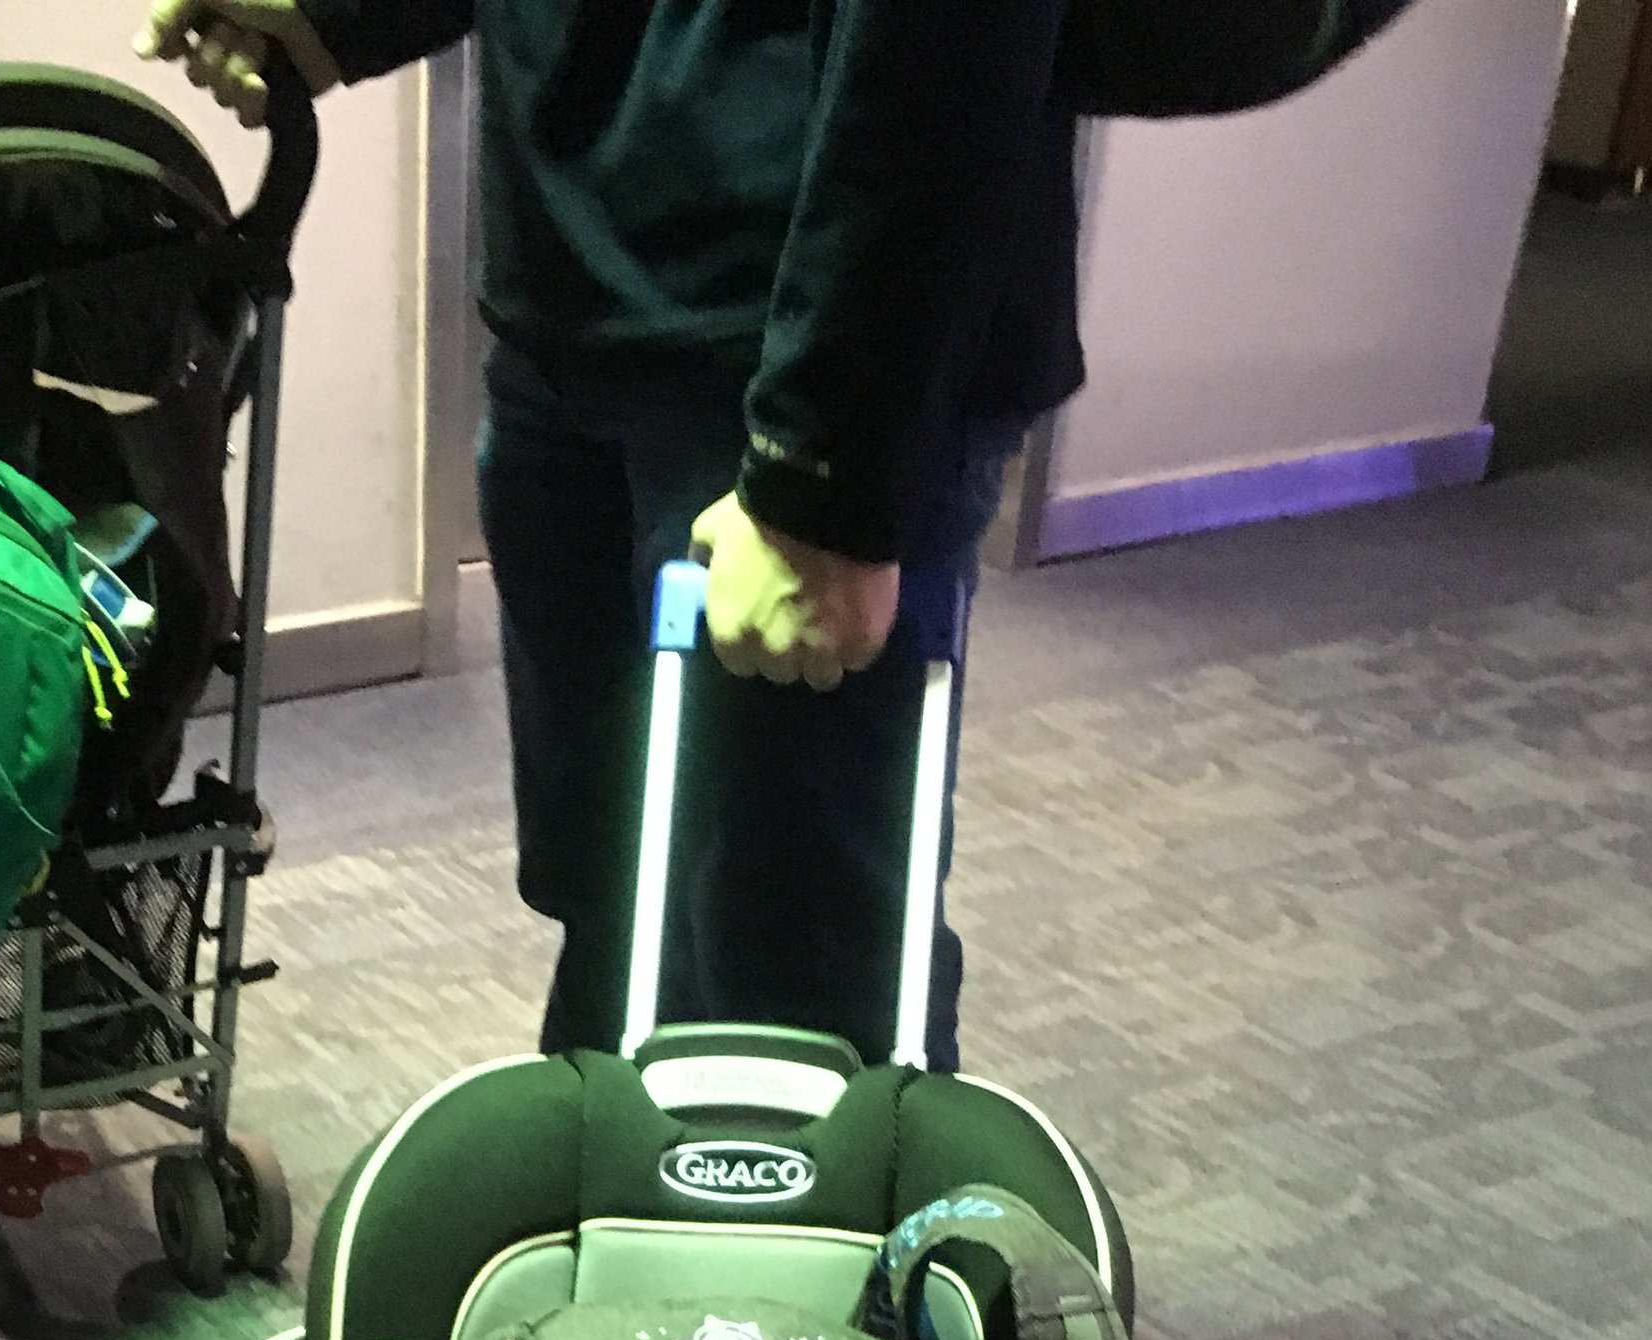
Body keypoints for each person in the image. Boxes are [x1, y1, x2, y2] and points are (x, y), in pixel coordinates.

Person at [140, 0, 1082, 1067]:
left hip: (810, 333)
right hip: (573, 299)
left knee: (799, 963)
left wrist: (831, 480)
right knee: (608, 888)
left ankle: (848, 1228)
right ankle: (620, 1203)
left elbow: (953, 43)